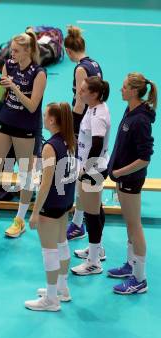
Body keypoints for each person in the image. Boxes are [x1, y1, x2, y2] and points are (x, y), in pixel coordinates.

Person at [0, 29, 46, 238]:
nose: (11, 53)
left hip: (25, 128)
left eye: (15, 50)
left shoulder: (39, 73)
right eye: (11, 50)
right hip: (4, 122)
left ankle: (20, 220)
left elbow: (33, 106)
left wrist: (13, 86)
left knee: (25, 176)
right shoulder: (9, 65)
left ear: (27, 51)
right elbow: (0, 97)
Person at [107, 73, 157, 295]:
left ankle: (140, 279)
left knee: (135, 226)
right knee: (129, 224)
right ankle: (130, 265)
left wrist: (119, 171)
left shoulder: (141, 120)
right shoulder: (131, 111)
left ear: (135, 91)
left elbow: (145, 158)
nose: (121, 89)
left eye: (125, 87)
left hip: (130, 180)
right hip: (122, 178)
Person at [26, 102, 77, 311]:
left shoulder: (49, 147)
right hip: (66, 202)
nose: (43, 118)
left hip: (52, 203)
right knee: (62, 243)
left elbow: (45, 183)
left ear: (53, 120)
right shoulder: (69, 141)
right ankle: (62, 289)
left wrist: (35, 212)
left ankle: (51, 299)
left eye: (46, 115)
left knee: (49, 251)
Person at [64, 26, 104, 243]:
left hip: (85, 124)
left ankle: (79, 223)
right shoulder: (95, 63)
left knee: (82, 172)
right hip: (94, 120)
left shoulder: (80, 69)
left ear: (69, 51)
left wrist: (73, 126)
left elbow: (80, 100)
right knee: (86, 173)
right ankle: (82, 218)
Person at [70, 76, 111, 276]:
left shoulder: (98, 115)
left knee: (92, 215)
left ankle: (94, 262)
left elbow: (97, 143)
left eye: (84, 89)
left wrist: (86, 168)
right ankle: (97, 249)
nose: (80, 91)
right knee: (95, 209)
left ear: (94, 94)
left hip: (93, 169)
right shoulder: (93, 107)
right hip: (92, 166)